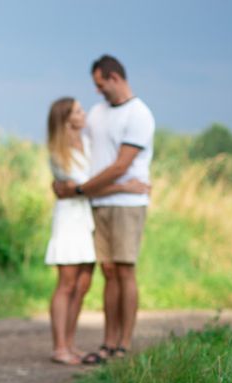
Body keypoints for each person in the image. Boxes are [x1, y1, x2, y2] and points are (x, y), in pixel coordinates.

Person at [53, 55, 155, 364]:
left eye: (100, 84)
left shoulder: (139, 115)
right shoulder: (97, 113)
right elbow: (74, 149)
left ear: (114, 78)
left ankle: (124, 343)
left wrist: (80, 189)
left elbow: (121, 166)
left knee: (125, 270)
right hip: (97, 204)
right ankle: (108, 343)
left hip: (126, 204)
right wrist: (59, 179)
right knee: (108, 271)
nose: (97, 91)